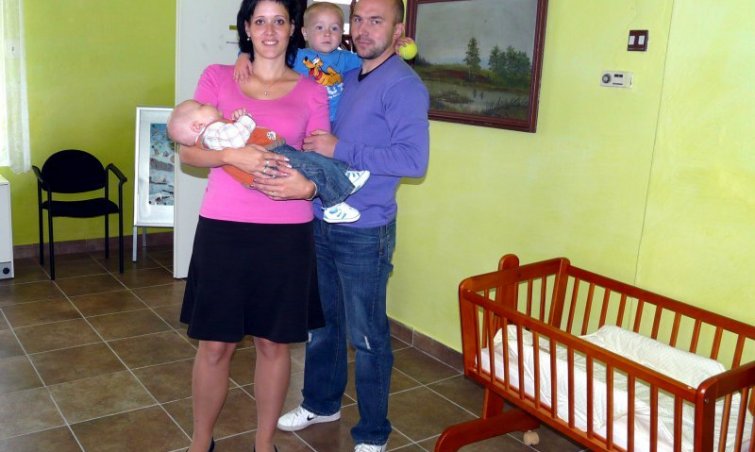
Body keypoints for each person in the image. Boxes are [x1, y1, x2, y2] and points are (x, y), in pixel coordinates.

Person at [269, 0, 430, 450]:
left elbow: (413, 160)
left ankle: (374, 433)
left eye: (376, 20)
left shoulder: (403, 85)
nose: (362, 29)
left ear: (398, 29)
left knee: (367, 336)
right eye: (357, 19)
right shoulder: (351, 75)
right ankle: (321, 402)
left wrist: (340, 148)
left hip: (365, 231)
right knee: (323, 326)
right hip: (323, 218)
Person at [177, 1, 329, 451]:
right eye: (259, 20)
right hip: (223, 229)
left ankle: (264, 444)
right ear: (246, 27)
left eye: (279, 21)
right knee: (214, 346)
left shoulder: (312, 91)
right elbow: (188, 151)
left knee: (272, 344)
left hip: (286, 235)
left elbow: (321, 163)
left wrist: (307, 187)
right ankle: (200, 442)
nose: (269, 30)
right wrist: (231, 155)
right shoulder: (217, 78)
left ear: (292, 29)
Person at [168, 99, 370, 223]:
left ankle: (343, 175)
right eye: (202, 106)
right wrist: (245, 120)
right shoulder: (211, 133)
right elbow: (236, 139)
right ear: (197, 126)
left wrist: (238, 119)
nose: (208, 104)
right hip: (269, 158)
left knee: (310, 161)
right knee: (310, 165)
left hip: (272, 153)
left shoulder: (216, 130)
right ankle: (333, 203)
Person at [234, 1, 414, 123]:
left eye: (334, 28)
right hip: (301, 116)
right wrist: (244, 56)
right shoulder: (297, 55)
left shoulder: (347, 58)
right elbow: (266, 52)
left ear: (342, 33)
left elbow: (376, 59)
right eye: (319, 27)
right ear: (305, 33)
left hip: (333, 121)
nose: (327, 33)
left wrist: (395, 44)